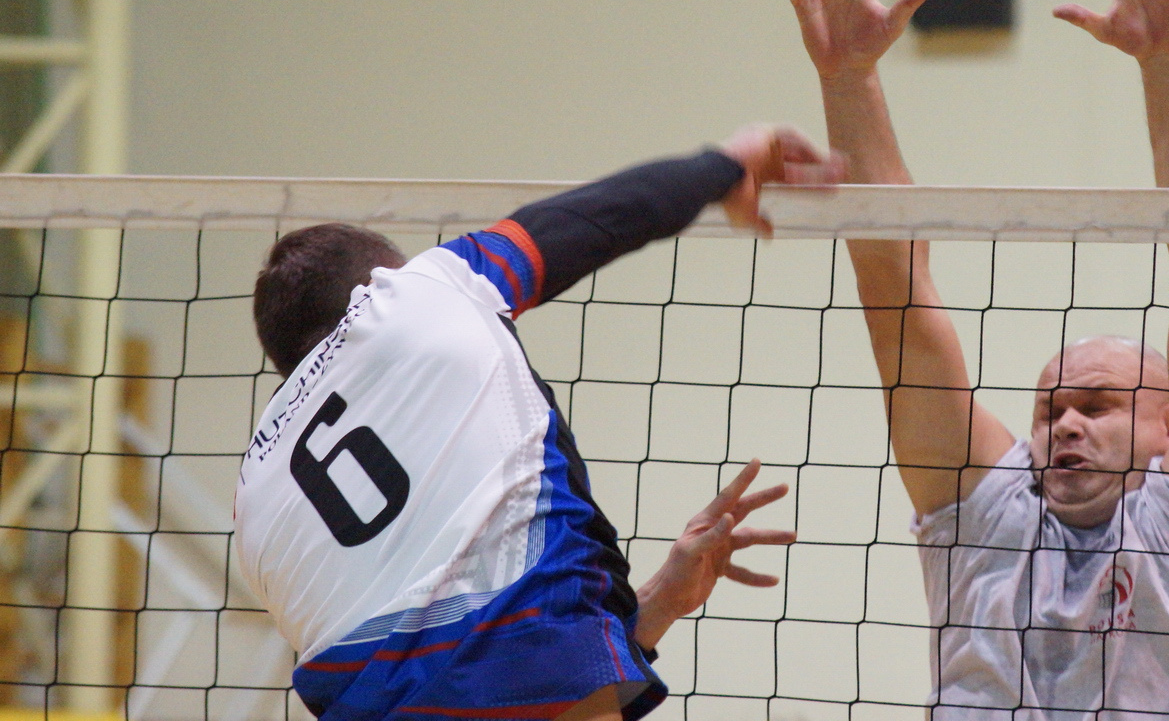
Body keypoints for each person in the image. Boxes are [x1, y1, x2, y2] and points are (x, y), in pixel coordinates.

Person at [770, 0, 1169, 721]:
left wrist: (1167, 65)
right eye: (1050, 410)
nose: (1066, 424)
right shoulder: (990, 509)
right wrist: (848, 78)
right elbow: (893, 285)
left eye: (1099, 405)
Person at [235, 127, 838, 721]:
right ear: (379, 280)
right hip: (541, 680)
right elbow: (602, 216)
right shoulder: (419, 291)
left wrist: (656, 605)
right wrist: (725, 165)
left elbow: (430, 674)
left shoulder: (253, 501)